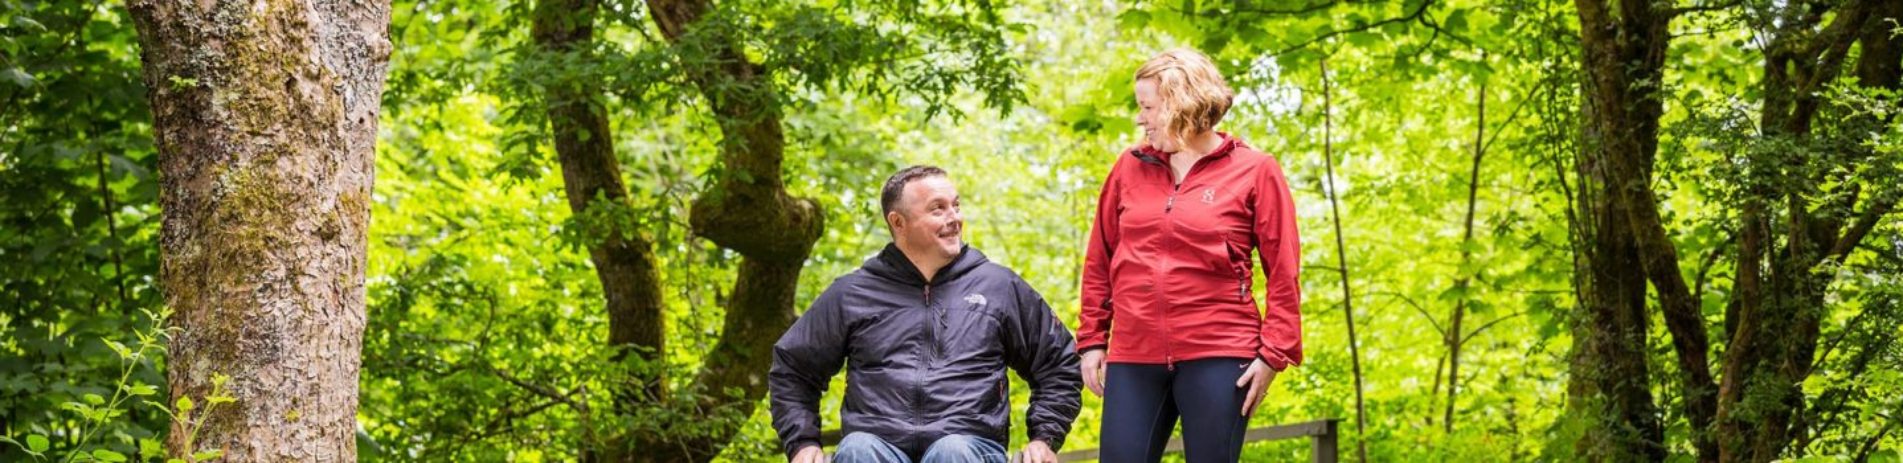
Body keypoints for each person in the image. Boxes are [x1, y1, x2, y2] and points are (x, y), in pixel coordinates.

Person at [1077, 48, 1304, 463]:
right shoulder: (1128, 167)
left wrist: (1274, 354)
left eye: (1148, 107)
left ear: (1182, 104)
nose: (1140, 118)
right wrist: (1092, 339)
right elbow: (1100, 260)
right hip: (1134, 352)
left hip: (1220, 350)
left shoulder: (1255, 170)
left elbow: (1284, 272)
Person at [770, 166, 1083, 463]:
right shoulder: (852, 294)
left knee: (952, 452)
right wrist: (803, 443)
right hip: (875, 447)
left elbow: (1058, 364)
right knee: (858, 449)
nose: (954, 218)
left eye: (956, 205)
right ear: (898, 222)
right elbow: (793, 368)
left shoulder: (999, 287)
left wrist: (1043, 438)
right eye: (938, 209)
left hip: (969, 447)